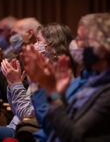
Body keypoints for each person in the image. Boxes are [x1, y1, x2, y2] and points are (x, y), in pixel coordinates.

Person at [22, 13, 110, 142]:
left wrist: (45, 89)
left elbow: (72, 137)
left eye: (82, 39)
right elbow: (56, 125)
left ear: (103, 48)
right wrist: (58, 95)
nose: (75, 44)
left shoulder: (106, 93)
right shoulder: (92, 81)